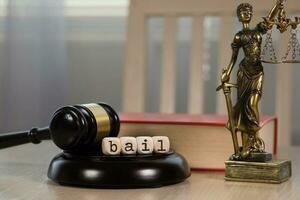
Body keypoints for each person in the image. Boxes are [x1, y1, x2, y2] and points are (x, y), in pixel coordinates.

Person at [220, 0, 284, 159]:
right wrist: (227, 72)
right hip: (244, 73)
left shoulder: (258, 31)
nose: (246, 13)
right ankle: (248, 144)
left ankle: (253, 139)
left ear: (251, 14)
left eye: (248, 11)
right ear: (239, 17)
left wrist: (278, 4)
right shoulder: (239, 36)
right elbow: (234, 57)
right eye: (243, 12)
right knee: (243, 108)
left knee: (252, 103)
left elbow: (269, 18)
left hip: (257, 72)